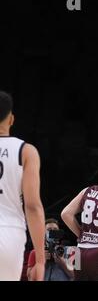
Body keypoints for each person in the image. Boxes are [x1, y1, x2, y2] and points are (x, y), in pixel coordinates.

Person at [0, 91, 46, 281]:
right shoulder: (26, 151)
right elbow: (32, 206)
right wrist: (40, 260)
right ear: (11, 119)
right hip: (10, 233)